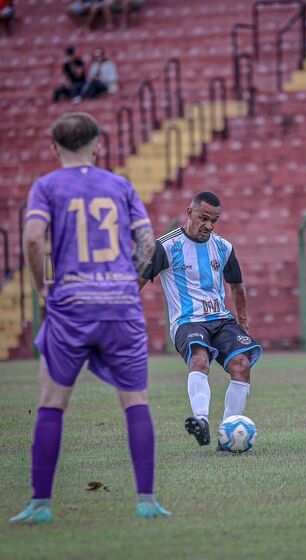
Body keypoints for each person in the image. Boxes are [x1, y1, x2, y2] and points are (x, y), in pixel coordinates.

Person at [10, 113, 170, 525]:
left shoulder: (46, 187)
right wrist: (126, 279)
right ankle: (147, 501)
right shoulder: (120, 186)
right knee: (135, 400)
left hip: (71, 304)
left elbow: (31, 237)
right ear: (97, 145)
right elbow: (147, 243)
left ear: (54, 148)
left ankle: (41, 505)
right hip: (119, 304)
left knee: (51, 402)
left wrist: (42, 286)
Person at [140, 192, 262, 449]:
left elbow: (237, 287)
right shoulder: (166, 247)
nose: (208, 225)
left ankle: (227, 435)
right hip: (188, 321)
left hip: (220, 319)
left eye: (214, 220)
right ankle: (201, 421)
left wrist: (243, 323)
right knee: (199, 358)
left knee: (242, 364)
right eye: (203, 218)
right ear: (189, 213)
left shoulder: (223, 247)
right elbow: (136, 283)